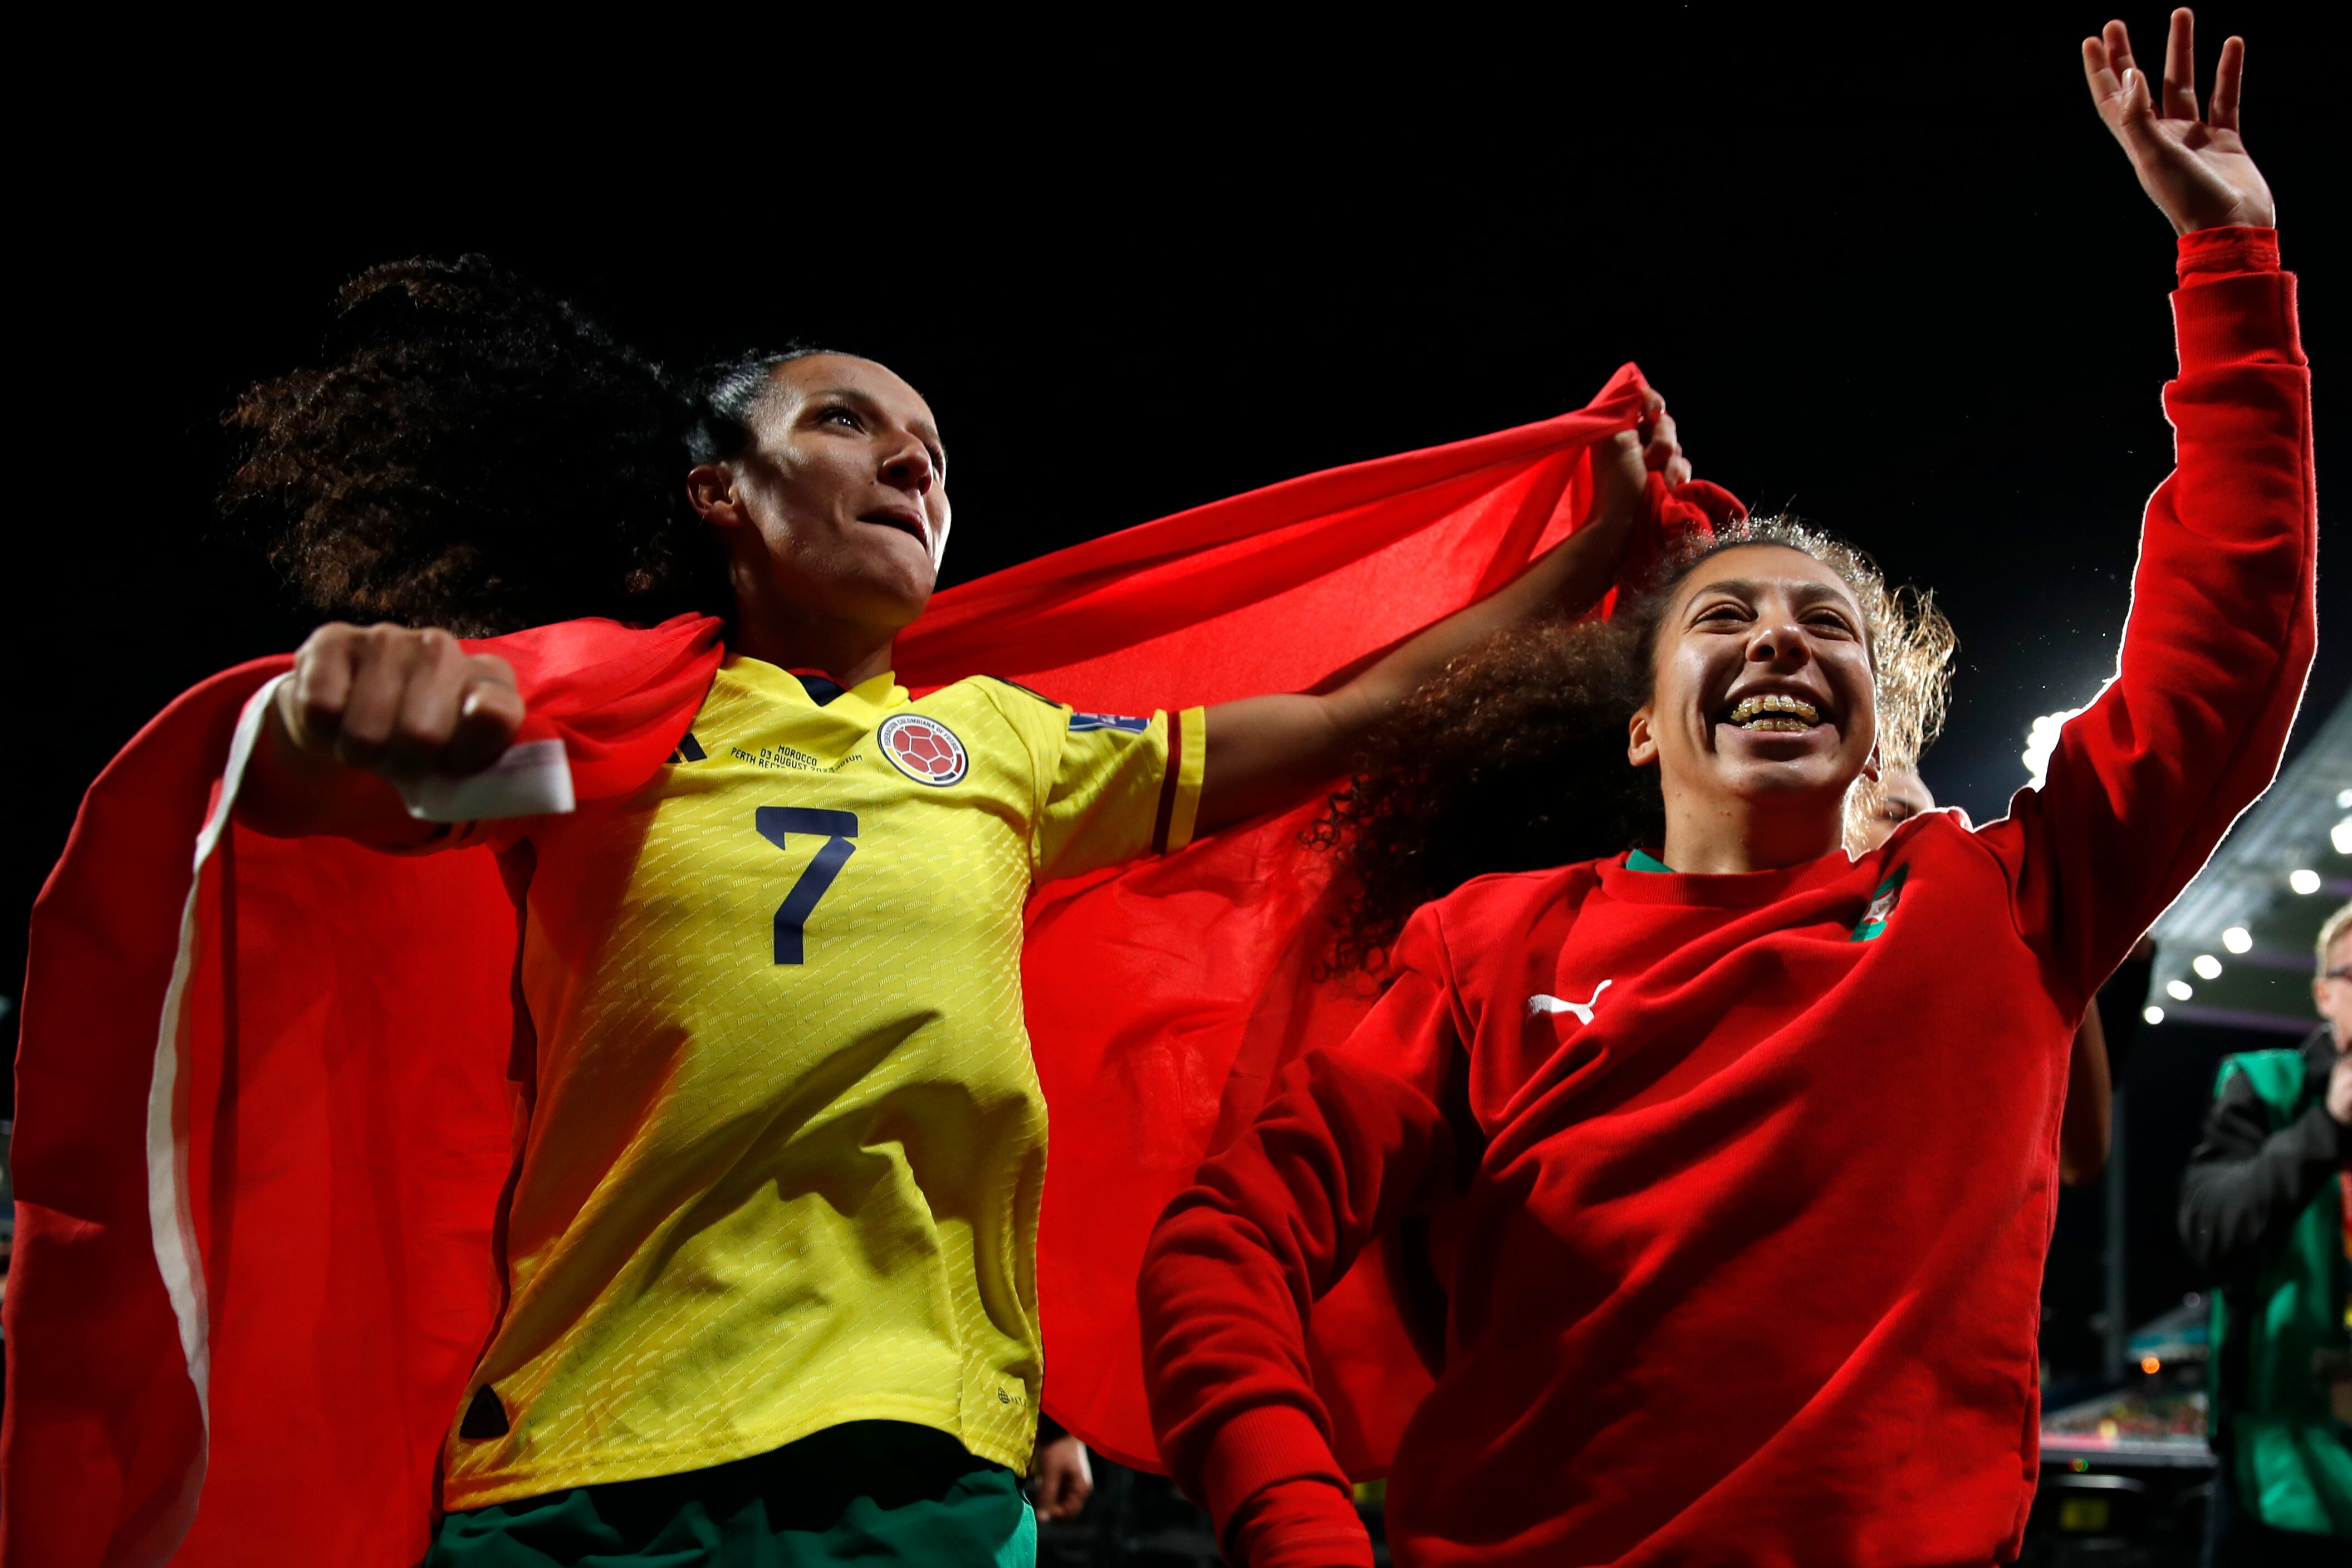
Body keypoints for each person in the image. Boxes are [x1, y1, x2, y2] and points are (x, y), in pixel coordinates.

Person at [158, 275, 1696, 1562]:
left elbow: (1354, 717)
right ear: (719, 492)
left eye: (934, 452)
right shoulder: (611, 727)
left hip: (917, 1455)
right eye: (846, 421)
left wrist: (1585, 550)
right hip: (587, 1456)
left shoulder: (1005, 747)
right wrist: (325, 720)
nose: (912, 461)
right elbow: (337, 805)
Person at [1135, 12, 2311, 1565]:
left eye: (1828, 624)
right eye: (1725, 616)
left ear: (1874, 725)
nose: (1779, 638)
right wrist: (1294, 1523)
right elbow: (1224, 1241)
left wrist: (2230, 260)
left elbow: (2228, 640)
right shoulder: (1488, 950)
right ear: (1639, 730)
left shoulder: (1997, 904)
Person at [1859, 766, 2151, 1186]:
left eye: (1932, 820)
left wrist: (2055, 951)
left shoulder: (1992, 956)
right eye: (1895, 816)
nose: (1931, 836)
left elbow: (2078, 1154)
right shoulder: (1783, 950)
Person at [2178, 901, 2352, 1560]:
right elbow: (2209, 1227)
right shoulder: (2266, 1085)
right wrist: (2328, 1126)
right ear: (2324, 993)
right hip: (2279, 1479)